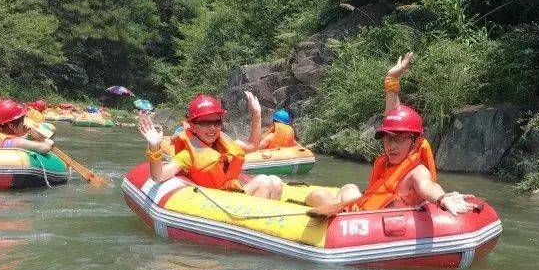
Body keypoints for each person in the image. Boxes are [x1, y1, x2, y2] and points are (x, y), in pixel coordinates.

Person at [305, 53, 473, 216]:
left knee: (318, 196)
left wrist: (442, 198)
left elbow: (427, 186)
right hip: (363, 209)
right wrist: (391, 78)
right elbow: (393, 116)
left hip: (366, 220)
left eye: (398, 139)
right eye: (387, 139)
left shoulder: (417, 171)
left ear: (415, 142)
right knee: (349, 187)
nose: (391, 146)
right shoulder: (392, 162)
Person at [138, 90, 284, 200]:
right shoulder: (188, 155)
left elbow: (253, 146)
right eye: (205, 123)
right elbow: (158, 176)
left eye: (216, 122)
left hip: (233, 195)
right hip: (216, 204)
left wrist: (256, 114)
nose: (212, 128)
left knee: (273, 181)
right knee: (267, 183)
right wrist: (154, 146)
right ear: (193, 126)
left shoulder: (225, 143)